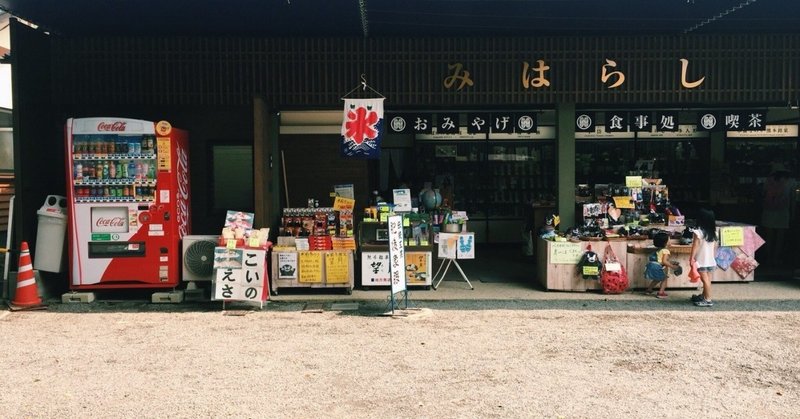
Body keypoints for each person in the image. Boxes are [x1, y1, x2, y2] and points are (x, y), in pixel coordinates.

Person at [760, 163, 797, 266]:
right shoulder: (791, 182)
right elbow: (793, 199)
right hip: (783, 212)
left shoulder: (768, 180)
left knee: (769, 236)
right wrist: (792, 213)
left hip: (768, 211)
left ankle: (768, 258)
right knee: (780, 237)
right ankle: (776, 258)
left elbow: (763, 194)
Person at [690, 209, 717, 307]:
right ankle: (704, 296)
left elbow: (695, 246)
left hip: (701, 261)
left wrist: (691, 258)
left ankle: (708, 300)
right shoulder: (714, 233)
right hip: (711, 261)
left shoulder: (698, 232)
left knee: (705, 280)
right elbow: (714, 248)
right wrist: (713, 258)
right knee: (707, 280)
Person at [643, 231, 678, 299]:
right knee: (664, 279)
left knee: (656, 279)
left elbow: (660, 259)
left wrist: (670, 262)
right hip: (659, 267)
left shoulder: (659, 250)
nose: (670, 241)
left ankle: (649, 290)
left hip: (652, 265)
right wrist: (672, 266)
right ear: (665, 242)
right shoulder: (666, 251)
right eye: (669, 240)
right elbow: (664, 261)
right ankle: (661, 293)